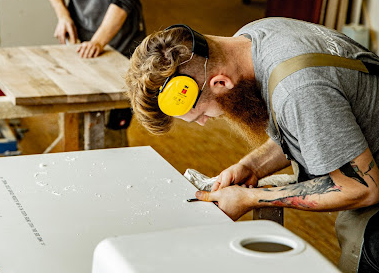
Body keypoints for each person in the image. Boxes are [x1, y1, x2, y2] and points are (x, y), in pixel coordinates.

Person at [125, 18, 379, 273]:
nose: (203, 123)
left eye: (202, 114)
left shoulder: (298, 89)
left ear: (221, 83)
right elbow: (308, 126)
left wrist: (250, 198)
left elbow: (361, 187)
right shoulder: (253, 37)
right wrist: (252, 166)